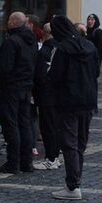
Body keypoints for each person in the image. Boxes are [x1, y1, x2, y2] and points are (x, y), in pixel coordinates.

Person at [48, 15, 98, 200]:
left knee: (69, 143)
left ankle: (73, 185)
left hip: (68, 101)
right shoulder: (90, 46)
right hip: (88, 100)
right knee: (80, 144)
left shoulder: (62, 49)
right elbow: (96, 72)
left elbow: (55, 76)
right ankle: (76, 181)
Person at [0, 12, 38, 174]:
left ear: (13, 22)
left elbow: (5, 68)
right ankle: (26, 162)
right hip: (26, 87)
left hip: (11, 88)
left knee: (11, 125)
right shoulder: (31, 40)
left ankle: (13, 162)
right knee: (24, 124)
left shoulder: (11, 41)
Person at [33, 23, 62, 170]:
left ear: (45, 34)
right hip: (58, 94)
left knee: (48, 128)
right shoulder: (60, 48)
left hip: (46, 95)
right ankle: (54, 157)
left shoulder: (45, 50)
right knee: (55, 127)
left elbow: (40, 75)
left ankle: (51, 158)